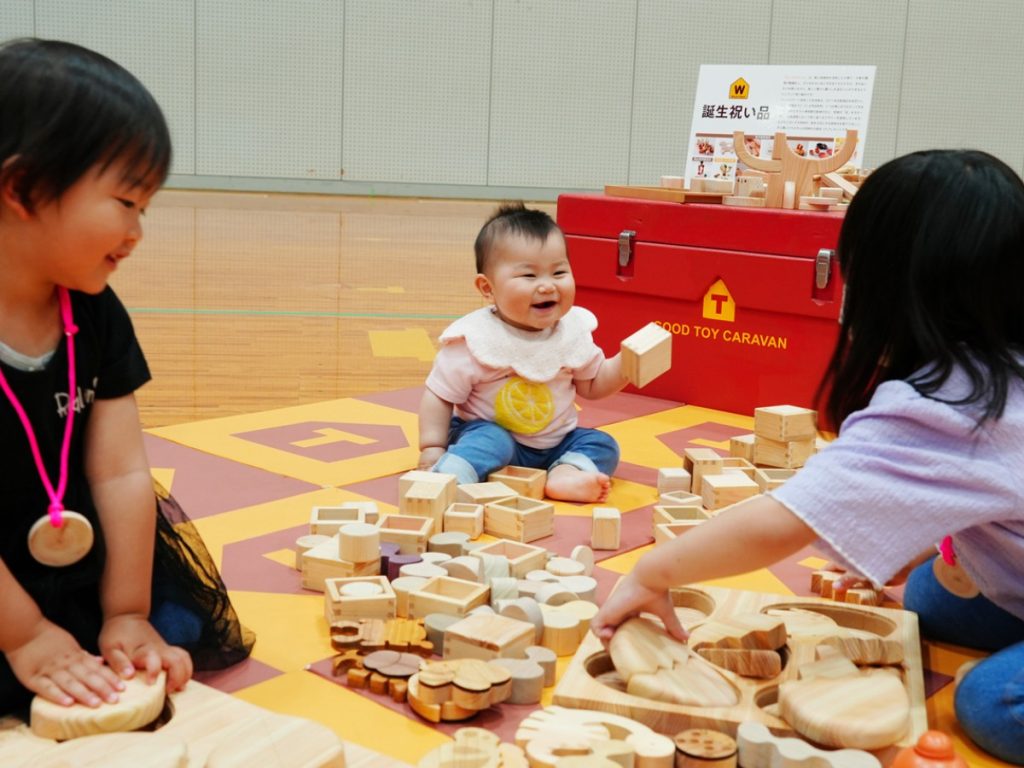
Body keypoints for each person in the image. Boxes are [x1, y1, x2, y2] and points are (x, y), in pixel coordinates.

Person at [591, 150, 1024, 765]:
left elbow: (782, 521)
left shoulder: (948, 404)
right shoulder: (997, 368)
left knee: (992, 704)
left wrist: (650, 573)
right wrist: (920, 541)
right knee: (930, 596)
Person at [0, 38, 252, 716]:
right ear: (23, 188)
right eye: (125, 201)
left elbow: (119, 472)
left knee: (170, 626)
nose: (137, 230)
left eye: (146, 207)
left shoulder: (95, 312)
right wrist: (25, 637)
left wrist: (126, 612)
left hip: (65, 539)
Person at [418, 202, 637, 503]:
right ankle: (454, 475)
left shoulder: (571, 332)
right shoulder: (476, 340)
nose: (547, 286)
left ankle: (566, 473)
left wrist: (626, 365)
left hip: (556, 444)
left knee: (603, 444)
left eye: (559, 272)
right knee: (490, 440)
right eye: (529, 276)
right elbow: (439, 395)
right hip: (491, 437)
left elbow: (593, 384)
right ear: (487, 288)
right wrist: (431, 446)